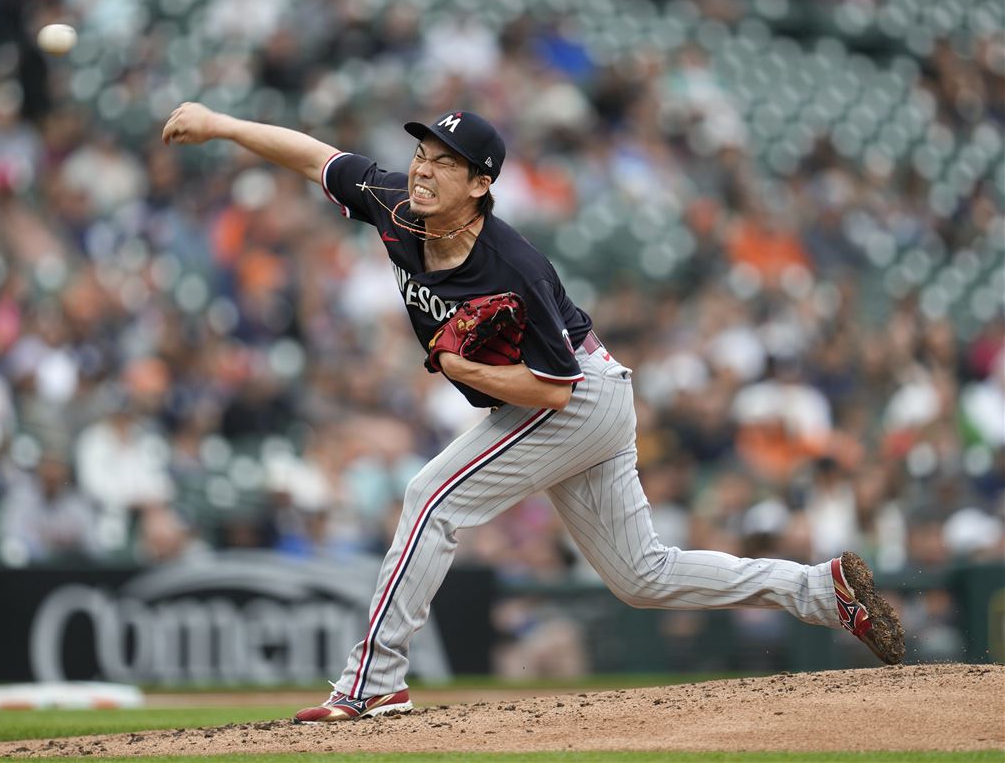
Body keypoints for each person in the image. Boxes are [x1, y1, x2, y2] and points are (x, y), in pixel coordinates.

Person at [160, 103, 906, 722]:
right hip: (576, 398)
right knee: (641, 576)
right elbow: (313, 156)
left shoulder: (513, 268)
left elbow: (555, 390)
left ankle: (372, 682)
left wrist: (463, 368)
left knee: (430, 498)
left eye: (445, 161)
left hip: (577, 396)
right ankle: (821, 590)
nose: (423, 167)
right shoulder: (391, 199)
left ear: (481, 184)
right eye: (422, 151)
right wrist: (222, 124)